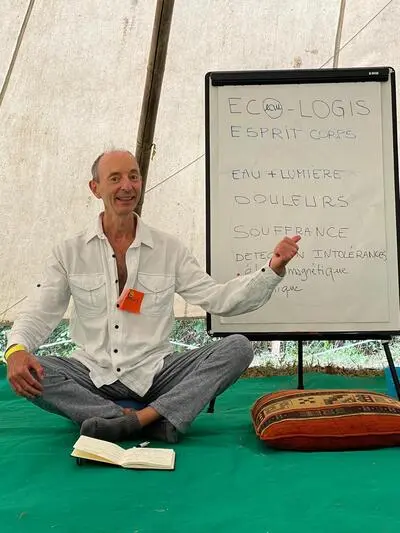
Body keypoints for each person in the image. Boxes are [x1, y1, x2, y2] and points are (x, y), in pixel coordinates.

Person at [5, 150, 300, 444]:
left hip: (156, 374)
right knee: (31, 369)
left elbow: (219, 299)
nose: (127, 186)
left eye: (134, 177)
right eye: (115, 178)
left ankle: (133, 420)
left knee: (238, 348)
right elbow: (40, 311)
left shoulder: (168, 249)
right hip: (92, 374)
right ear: (95, 188)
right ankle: (146, 418)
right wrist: (16, 350)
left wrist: (272, 268)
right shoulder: (69, 252)